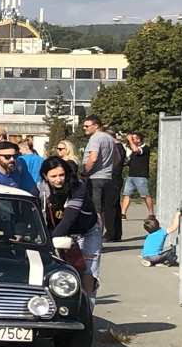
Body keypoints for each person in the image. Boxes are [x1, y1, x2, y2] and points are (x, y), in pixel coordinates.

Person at [42, 158, 102, 295]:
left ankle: (88, 303)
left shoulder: (78, 187)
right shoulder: (41, 189)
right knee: (63, 275)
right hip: (60, 233)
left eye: (61, 175)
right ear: (45, 176)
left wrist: (49, 242)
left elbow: (69, 218)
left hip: (87, 231)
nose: (58, 180)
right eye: (53, 176)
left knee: (87, 273)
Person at [81, 114, 121, 242]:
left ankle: (96, 240)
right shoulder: (110, 138)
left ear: (96, 125)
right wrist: (109, 170)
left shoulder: (95, 138)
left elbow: (93, 158)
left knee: (96, 210)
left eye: (87, 126)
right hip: (107, 177)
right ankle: (99, 239)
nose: (84, 128)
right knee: (102, 209)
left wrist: (84, 172)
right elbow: (117, 158)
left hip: (95, 178)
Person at [121, 132, 153, 223]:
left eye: (134, 139)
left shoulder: (145, 148)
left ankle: (151, 213)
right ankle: (123, 213)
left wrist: (130, 140)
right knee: (126, 194)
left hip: (141, 176)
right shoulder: (132, 151)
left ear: (138, 140)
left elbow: (136, 150)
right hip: (131, 175)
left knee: (145, 195)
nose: (131, 141)